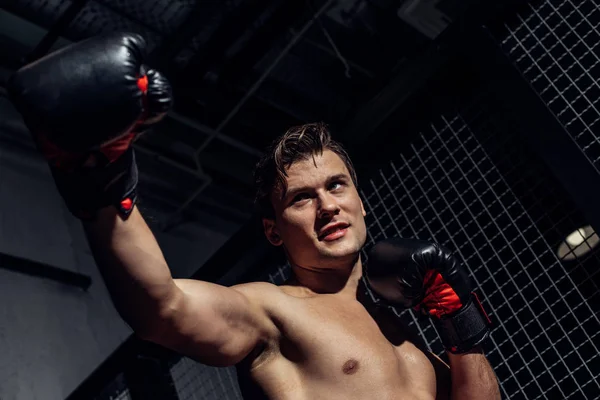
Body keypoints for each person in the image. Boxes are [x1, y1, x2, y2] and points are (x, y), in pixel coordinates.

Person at [9, 32, 501, 400]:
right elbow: (162, 308)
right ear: (272, 229)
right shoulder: (270, 311)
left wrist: (461, 323)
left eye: (336, 185)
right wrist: (101, 178)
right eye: (301, 198)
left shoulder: (409, 337)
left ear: (360, 199)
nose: (328, 204)